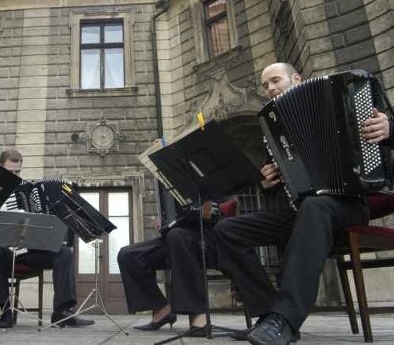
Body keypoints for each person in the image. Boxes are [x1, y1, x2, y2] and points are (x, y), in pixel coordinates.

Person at [213, 62, 393, 345]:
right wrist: (267, 180)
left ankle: (284, 320)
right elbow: (282, 177)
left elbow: (379, 138)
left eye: (275, 81)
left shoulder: (347, 97)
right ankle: (269, 314)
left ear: (296, 78)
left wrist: (389, 129)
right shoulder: (272, 123)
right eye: (265, 85)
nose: (270, 88)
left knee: (315, 206)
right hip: (298, 212)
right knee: (226, 231)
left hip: (347, 203)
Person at [0, 148, 94, 328]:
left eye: (18, 172)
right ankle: (6, 310)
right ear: (0, 168)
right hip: (0, 250)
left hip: (27, 251)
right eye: (10, 172)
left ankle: (62, 312)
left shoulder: (27, 189)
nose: (15, 176)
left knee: (64, 253)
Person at [117, 200, 222, 336]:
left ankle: (198, 313)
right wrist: (165, 223)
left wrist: (203, 209)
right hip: (172, 238)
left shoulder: (212, 181)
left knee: (177, 236)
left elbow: (214, 214)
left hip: (206, 239)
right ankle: (162, 309)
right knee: (127, 255)